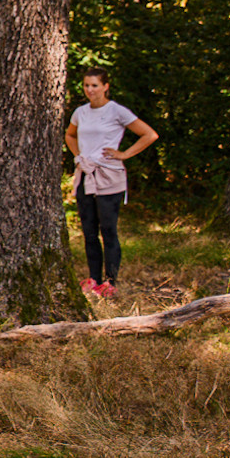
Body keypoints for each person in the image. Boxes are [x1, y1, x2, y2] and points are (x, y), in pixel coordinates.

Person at [65, 68, 158, 298]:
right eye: (86, 85)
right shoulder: (80, 112)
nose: (90, 90)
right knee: (89, 232)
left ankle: (110, 281)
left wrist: (124, 154)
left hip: (109, 177)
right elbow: (70, 135)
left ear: (106, 86)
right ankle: (93, 279)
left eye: (95, 85)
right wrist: (78, 155)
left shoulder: (116, 110)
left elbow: (149, 134)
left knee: (108, 230)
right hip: (86, 175)